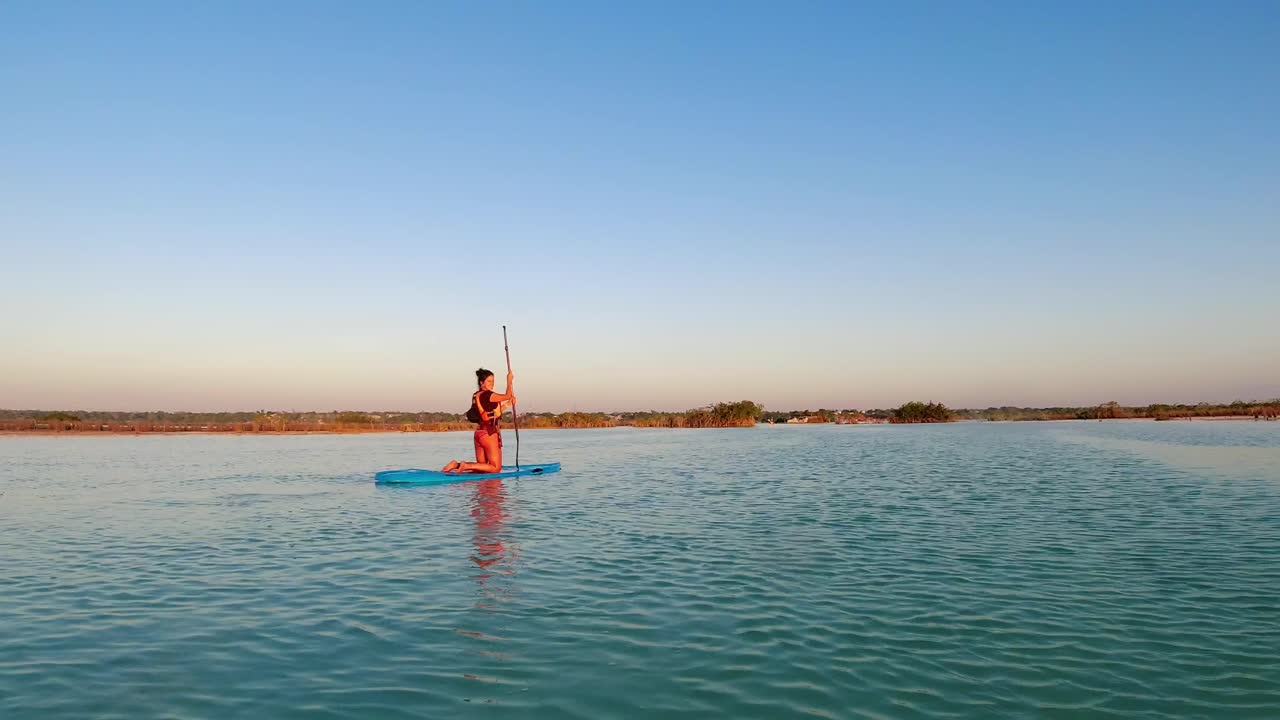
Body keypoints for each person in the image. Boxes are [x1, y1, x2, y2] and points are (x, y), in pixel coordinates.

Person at [443, 367, 515, 473]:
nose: (492, 384)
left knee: (482, 468)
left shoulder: (476, 395)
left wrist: (508, 405)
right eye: (489, 381)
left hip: (479, 433)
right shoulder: (488, 395)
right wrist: (509, 381)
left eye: (493, 381)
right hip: (489, 434)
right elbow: (508, 395)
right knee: (495, 468)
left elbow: (490, 414)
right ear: (482, 383)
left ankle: (456, 465)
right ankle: (466, 466)